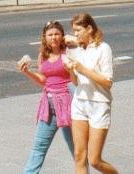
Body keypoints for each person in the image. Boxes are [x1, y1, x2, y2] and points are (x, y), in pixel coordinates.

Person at [19, 20, 75, 174]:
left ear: (62, 35)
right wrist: (27, 71)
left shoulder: (69, 52)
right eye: (50, 35)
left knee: (76, 148)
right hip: (49, 107)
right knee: (39, 147)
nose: (54, 37)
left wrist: (74, 41)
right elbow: (44, 80)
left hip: (68, 104)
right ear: (44, 37)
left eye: (57, 34)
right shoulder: (42, 55)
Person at [64, 12, 117, 174]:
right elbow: (75, 82)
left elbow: (108, 82)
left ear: (89, 28)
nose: (75, 34)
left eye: (78, 30)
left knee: (94, 160)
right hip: (80, 103)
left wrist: (82, 69)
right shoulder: (75, 50)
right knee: (80, 155)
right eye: (73, 31)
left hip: (99, 105)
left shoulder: (103, 49)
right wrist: (71, 71)